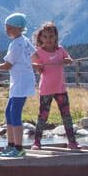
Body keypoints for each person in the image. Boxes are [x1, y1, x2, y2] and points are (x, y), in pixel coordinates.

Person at [0, 12, 37, 157]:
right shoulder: (24, 40)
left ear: (18, 28)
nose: (6, 31)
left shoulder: (17, 44)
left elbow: (7, 65)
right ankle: (11, 145)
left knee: (15, 114)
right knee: (9, 113)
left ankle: (18, 148)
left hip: (21, 82)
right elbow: (34, 55)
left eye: (9, 28)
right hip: (19, 81)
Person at [30, 21, 79, 150]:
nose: (48, 39)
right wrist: (37, 67)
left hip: (60, 89)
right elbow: (34, 66)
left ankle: (72, 142)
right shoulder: (38, 53)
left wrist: (67, 60)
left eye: (51, 36)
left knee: (66, 116)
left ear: (56, 37)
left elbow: (69, 59)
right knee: (43, 116)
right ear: (40, 38)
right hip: (46, 89)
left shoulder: (61, 50)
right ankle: (37, 142)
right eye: (45, 37)